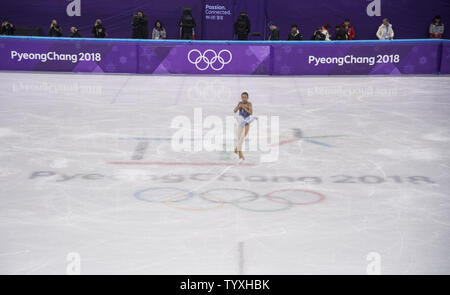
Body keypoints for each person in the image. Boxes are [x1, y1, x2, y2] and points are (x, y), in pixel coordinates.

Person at [233, 92, 254, 160]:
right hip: (240, 123)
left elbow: (251, 112)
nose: (244, 98)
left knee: (242, 138)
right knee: (239, 139)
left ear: (247, 98)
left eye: (245, 97)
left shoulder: (249, 104)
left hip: (247, 123)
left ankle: (236, 149)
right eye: (242, 97)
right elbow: (235, 111)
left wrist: (244, 108)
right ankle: (240, 153)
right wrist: (239, 107)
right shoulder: (240, 103)